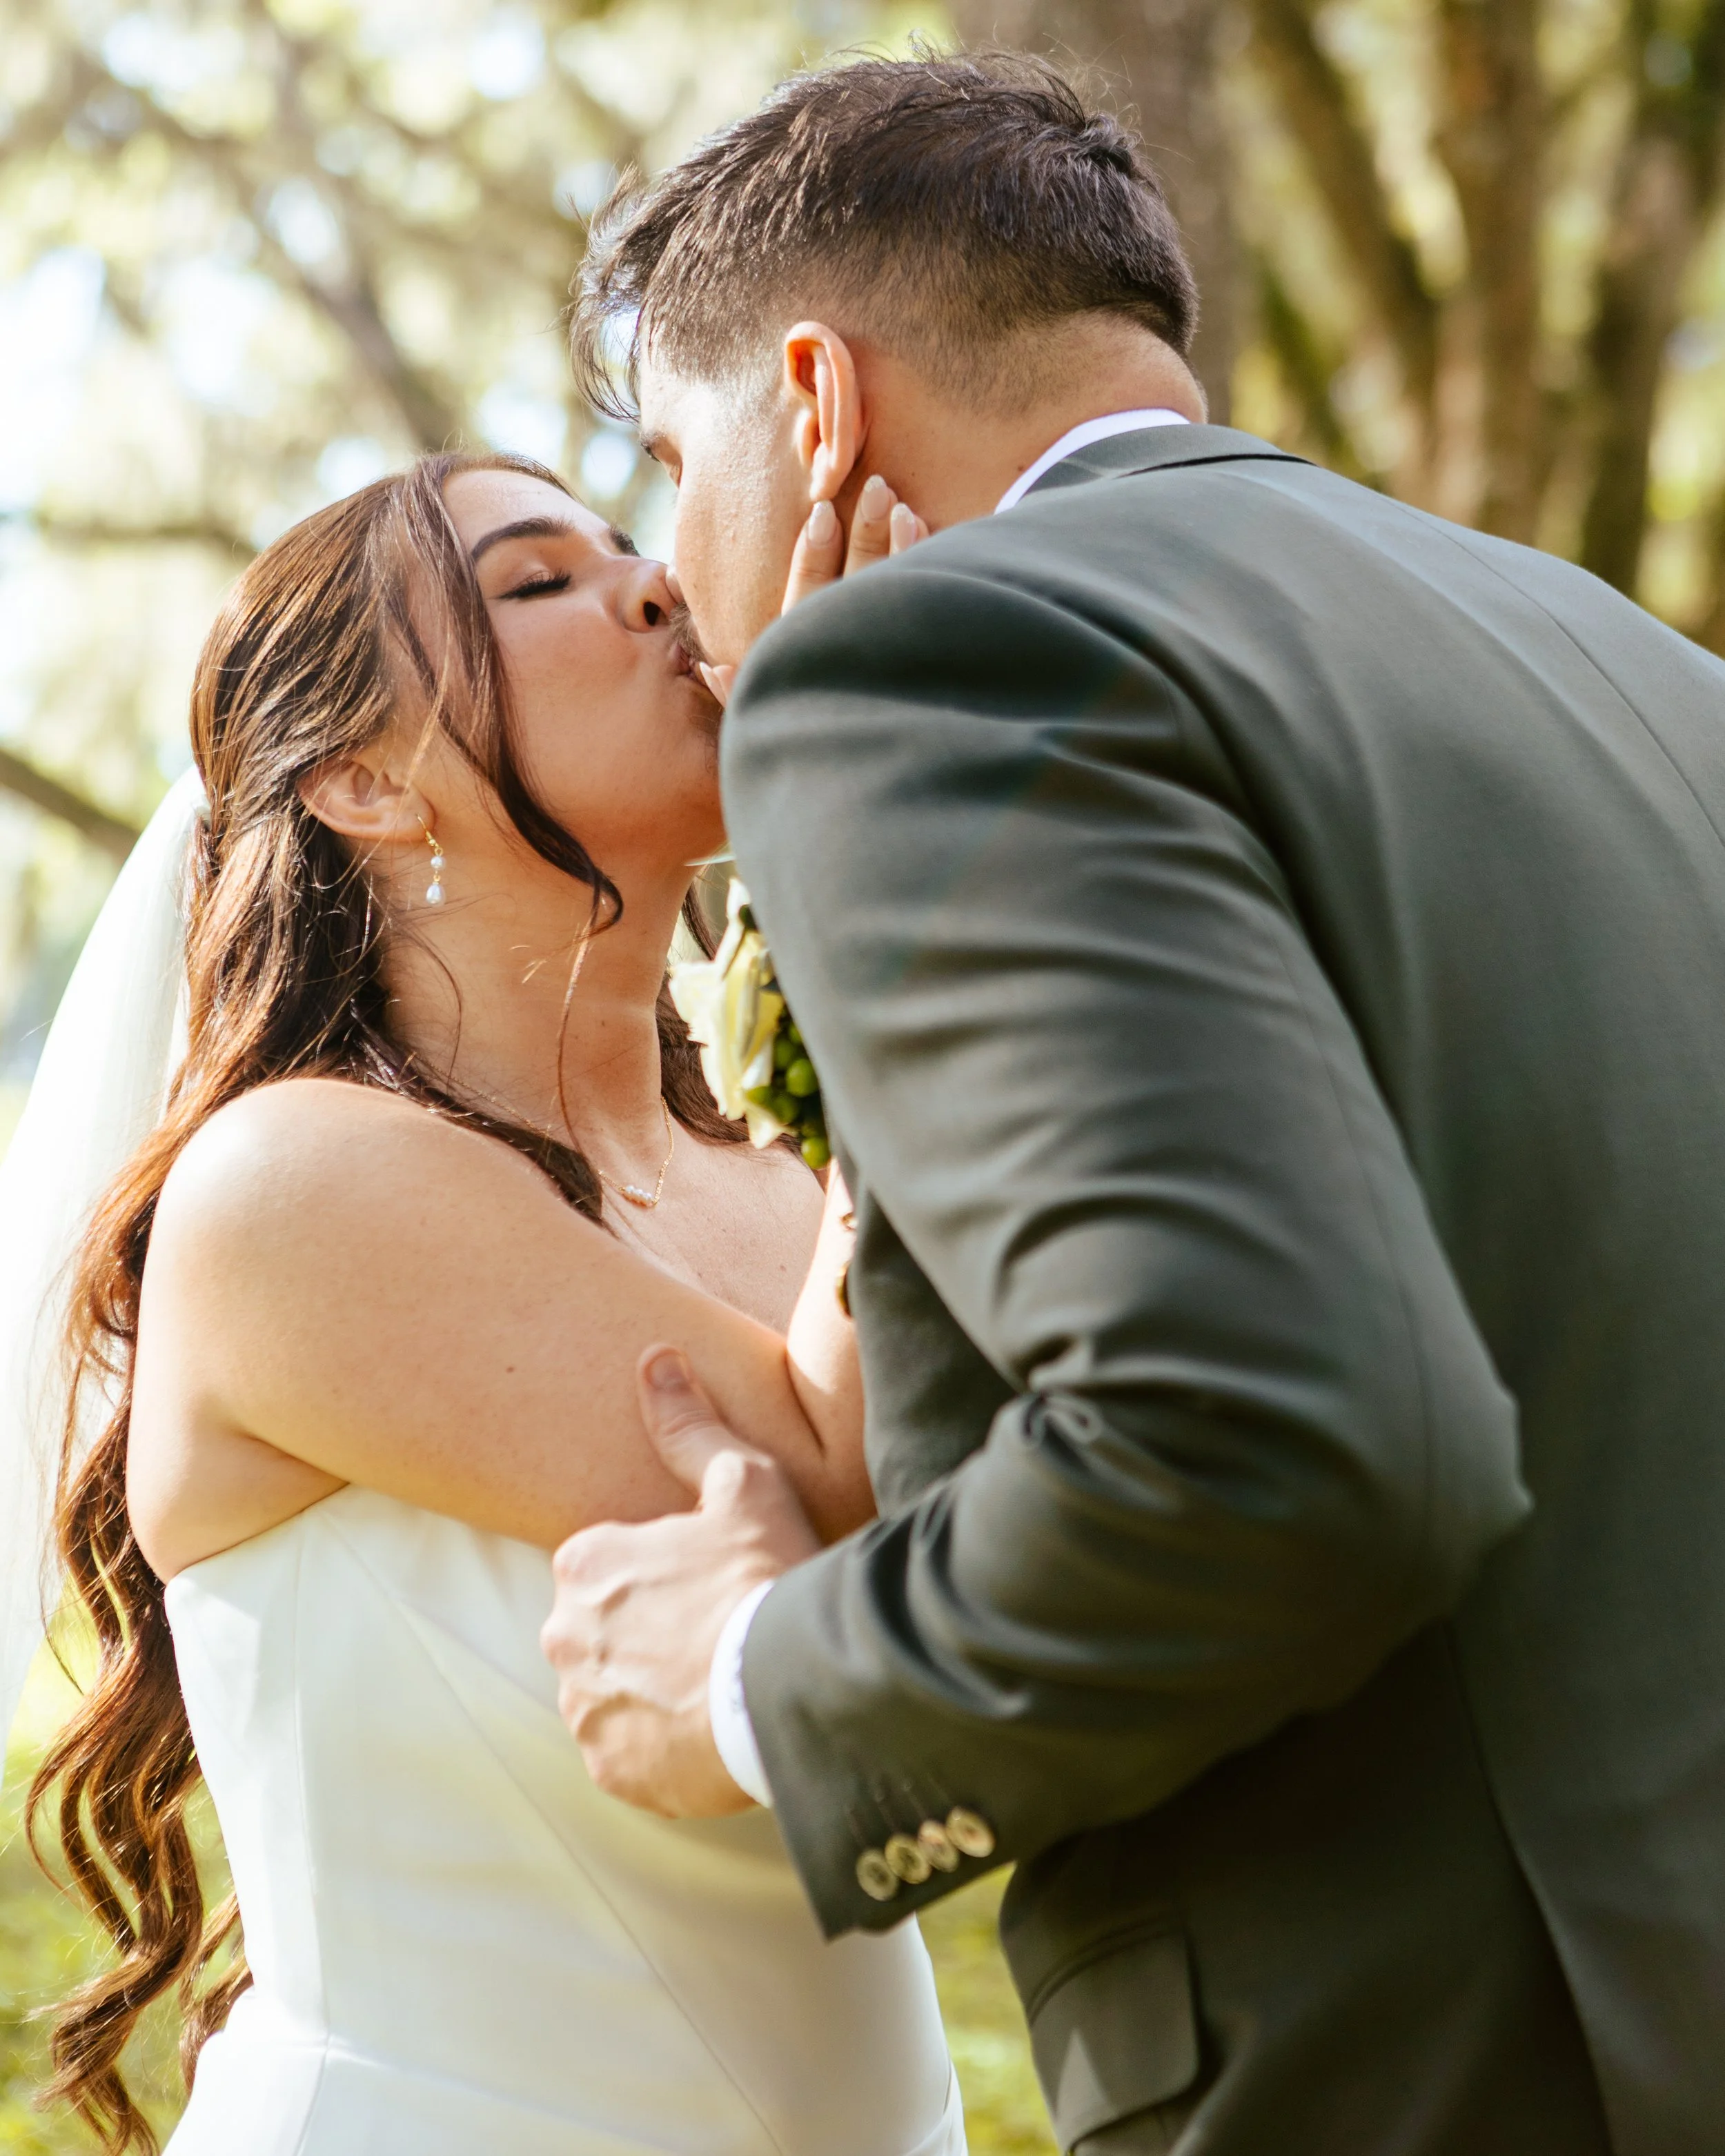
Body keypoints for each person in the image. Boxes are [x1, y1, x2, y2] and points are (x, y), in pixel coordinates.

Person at [542, 49, 1725, 2156]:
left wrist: (753, 1678)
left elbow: (1272, 1442)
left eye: (663, 456)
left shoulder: (919, 667)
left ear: (813, 401)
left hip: (1435, 2062)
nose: (673, 579)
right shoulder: (1632, 664)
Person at [14, 448, 963, 2155]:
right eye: (536, 584)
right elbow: (840, 1494)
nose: (659, 587)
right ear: (368, 782)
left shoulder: (780, 1165)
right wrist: (880, 819)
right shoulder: (292, 1186)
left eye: (629, 548)